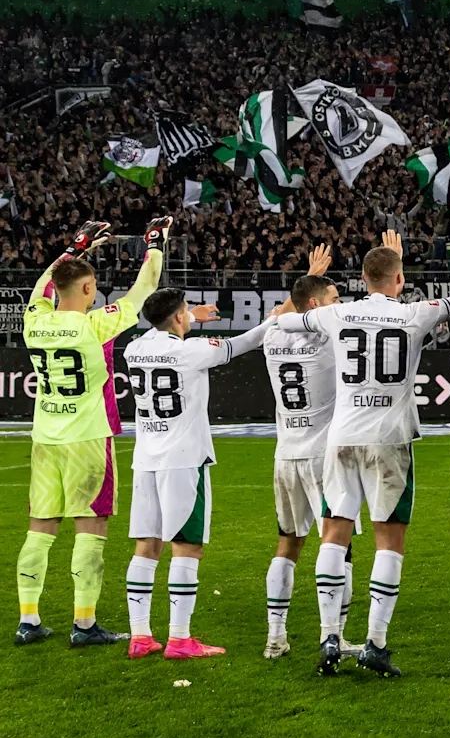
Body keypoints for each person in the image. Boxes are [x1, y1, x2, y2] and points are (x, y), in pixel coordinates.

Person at [272, 230, 450, 677]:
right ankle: (375, 643)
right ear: (398, 279)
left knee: (334, 532)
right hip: (389, 439)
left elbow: (285, 322)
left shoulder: (337, 313)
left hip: (341, 438)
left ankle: (329, 636)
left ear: (362, 279)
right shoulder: (415, 314)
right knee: (390, 539)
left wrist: (304, 303)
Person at [17, 217, 166, 648]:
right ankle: (84, 625)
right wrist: (154, 244)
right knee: (91, 527)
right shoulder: (94, 325)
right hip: (87, 439)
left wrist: (74, 249)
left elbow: (41, 288)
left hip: (45, 437)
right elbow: (142, 291)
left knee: (39, 529)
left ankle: (29, 620)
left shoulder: (34, 320)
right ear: (87, 290)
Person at [121, 287, 275, 659]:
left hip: (145, 459)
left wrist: (190, 319)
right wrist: (275, 318)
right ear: (177, 317)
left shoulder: (134, 349)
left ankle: (140, 636)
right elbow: (246, 341)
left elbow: (162, 332)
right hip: (183, 460)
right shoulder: (192, 352)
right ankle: (179, 638)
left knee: (147, 545)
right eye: (185, 310)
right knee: (187, 546)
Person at [260, 248, 341, 659]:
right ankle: (334, 635)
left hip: (285, 454)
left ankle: (276, 636)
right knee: (338, 544)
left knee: (287, 544)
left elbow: (279, 312)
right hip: (323, 456)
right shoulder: (330, 340)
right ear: (314, 306)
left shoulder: (272, 335)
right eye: (333, 300)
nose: (338, 307)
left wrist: (308, 278)